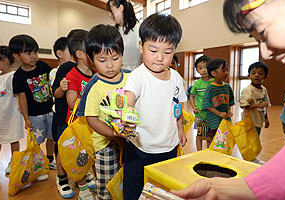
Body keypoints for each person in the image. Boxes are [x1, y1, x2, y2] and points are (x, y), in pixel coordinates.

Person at [171, 0, 285, 199]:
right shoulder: (206, 87)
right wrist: (220, 189)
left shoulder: (228, 87)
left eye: (263, 31)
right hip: (209, 120)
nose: (266, 52)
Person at [123, 13, 187, 200]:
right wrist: (127, 113)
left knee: (164, 191)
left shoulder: (175, 77)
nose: (160, 58)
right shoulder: (139, 75)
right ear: (141, 46)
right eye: (153, 50)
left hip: (170, 146)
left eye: (168, 52)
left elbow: (177, 106)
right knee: (134, 191)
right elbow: (129, 99)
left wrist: (181, 129)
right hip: (140, 147)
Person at [77, 24, 129, 200]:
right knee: (107, 184)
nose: (110, 65)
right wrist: (115, 135)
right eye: (102, 60)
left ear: (122, 54)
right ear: (91, 60)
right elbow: (92, 120)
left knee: (128, 180)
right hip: (106, 144)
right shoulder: (94, 86)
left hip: (131, 139)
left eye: (115, 58)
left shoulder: (131, 78)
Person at [10, 34, 55, 181]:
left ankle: (49, 159)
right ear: (17, 56)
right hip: (35, 116)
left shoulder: (43, 66)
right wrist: (26, 118)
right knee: (36, 142)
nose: (34, 56)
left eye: (35, 52)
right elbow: (21, 98)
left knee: (51, 137)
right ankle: (38, 166)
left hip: (50, 111)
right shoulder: (18, 76)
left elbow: (52, 81)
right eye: (28, 53)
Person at [64, 29, 96, 200]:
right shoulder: (72, 75)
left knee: (94, 154)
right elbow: (71, 102)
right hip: (79, 126)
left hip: (94, 125)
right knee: (80, 157)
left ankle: (97, 181)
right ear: (80, 54)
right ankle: (82, 187)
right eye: (91, 50)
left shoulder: (97, 73)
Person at [0, 46, 24, 173]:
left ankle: (14, 161)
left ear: (4, 60)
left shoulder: (13, 76)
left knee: (13, 138)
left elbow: (19, 95)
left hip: (10, 114)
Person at [51, 35, 75, 199]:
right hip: (61, 116)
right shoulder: (58, 71)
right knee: (62, 148)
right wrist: (61, 87)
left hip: (77, 120)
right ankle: (62, 179)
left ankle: (80, 174)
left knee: (78, 148)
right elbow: (55, 94)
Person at [240, 61, 270, 164]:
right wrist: (258, 105)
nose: (257, 75)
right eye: (253, 73)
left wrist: (266, 119)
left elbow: (265, 105)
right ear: (249, 76)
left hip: (258, 120)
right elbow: (243, 105)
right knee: (250, 141)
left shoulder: (264, 90)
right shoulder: (248, 90)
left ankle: (252, 158)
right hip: (249, 121)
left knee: (255, 140)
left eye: (260, 73)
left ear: (265, 76)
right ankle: (249, 159)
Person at [202, 58, 235, 146]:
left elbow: (230, 101)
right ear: (213, 73)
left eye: (227, 70)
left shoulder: (227, 87)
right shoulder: (210, 87)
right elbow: (206, 104)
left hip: (225, 120)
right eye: (223, 70)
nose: (226, 73)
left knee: (224, 140)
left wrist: (229, 111)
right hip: (214, 121)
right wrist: (218, 113)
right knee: (213, 140)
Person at [106, 0, 142, 71]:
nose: (109, 15)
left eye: (111, 11)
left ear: (121, 8)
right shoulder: (115, 30)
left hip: (133, 73)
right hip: (116, 72)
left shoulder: (138, 29)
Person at [190, 55, 213, 151]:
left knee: (210, 136)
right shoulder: (197, 83)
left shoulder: (214, 82)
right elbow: (192, 96)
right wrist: (193, 107)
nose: (203, 70)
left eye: (206, 67)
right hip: (200, 114)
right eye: (200, 68)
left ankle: (209, 152)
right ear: (197, 70)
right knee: (200, 135)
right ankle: (199, 153)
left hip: (212, 115)